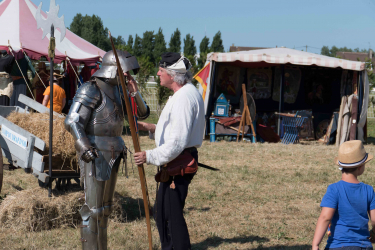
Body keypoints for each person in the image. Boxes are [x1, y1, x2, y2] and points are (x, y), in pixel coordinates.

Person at [64, 49, 149, 250]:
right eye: (124, 72)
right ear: (113, 70)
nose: (126, 76)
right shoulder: (90, 89)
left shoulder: (119, 91)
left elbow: (143, 114)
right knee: (92, 210)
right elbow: (73, 121)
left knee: (106, 209)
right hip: (95, 151)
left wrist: (134, 91)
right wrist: (83, 145)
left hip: (115, 151)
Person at [134, 52, 205, 250]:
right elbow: (176, 130)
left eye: (161, 70)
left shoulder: (184, 98)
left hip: (178, 162)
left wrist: (149, 156)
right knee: (163, 214)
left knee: (171, 217)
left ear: (172, 75)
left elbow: (176, 143)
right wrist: (150, 127)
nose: (158, 73)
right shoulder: (184, 93)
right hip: (176, 160)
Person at [312, 140, 375, 250]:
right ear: (360, 166)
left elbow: (325, 217)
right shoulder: (368, 190)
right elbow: (374, 220)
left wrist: (315, 244)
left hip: (337, 246)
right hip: (363, 246)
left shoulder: (334, 189)